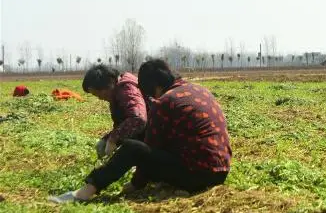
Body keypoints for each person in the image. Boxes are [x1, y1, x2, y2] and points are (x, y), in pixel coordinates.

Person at [49, 59, 231, 203]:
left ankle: (85, 192)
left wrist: (136, 183)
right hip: (220, 171)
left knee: (132, 147)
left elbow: (145, 148)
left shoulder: (165, 101)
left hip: (198, 175)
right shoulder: (198, 90)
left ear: (155, 87)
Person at [81, 65, 148, 159]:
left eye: (97, 93)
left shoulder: (127, 90)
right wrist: (107, 139)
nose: (99, 98)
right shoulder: (116, 93)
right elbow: (122, 124)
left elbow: (138, 119)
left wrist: (113, 139)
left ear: (109, 84)